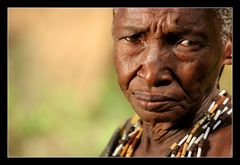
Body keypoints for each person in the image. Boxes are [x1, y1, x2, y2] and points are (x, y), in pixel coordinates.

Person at [101, 8, 232, 157]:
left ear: (228, 46)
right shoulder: (125, 137)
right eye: (133, 38)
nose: (151, 75)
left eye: (186, 43)